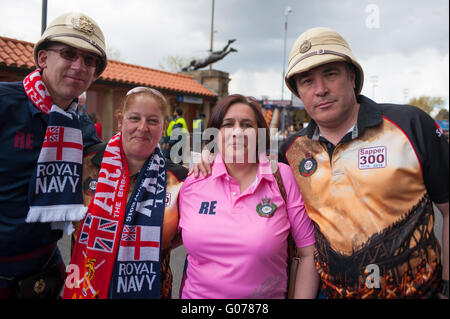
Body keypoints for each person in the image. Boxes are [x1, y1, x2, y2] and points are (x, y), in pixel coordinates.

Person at [279, 27, 449, 298]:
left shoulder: (411, 124)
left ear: (352, 76)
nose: (320, 90)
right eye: (307, 81)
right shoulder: (290, 152)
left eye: (330, 74)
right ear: (298, 92)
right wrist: (206, 159)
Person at [0, 12, 106, 299]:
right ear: (43, 59)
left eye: (89, 60)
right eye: (68, 54)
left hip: (44, 270)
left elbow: (110, 162)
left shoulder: (79, 123)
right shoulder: (4, 104)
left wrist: (194, 169)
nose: (78, 66)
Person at [178, 94, 318, 299]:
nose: (237, 132)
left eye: (247, 125)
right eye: (228, 124)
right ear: (215, 133)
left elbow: (308, 254)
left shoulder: (282, 177)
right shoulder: (194, 180)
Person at [63, 87, 188, 299]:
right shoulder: (86, 163)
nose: (142, 127)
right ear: (120, 122)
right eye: (134, 118)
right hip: (85, 287)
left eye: (153, 121)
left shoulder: (179, 179)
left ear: (164, 127)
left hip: (151, 291)